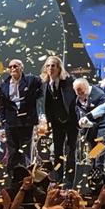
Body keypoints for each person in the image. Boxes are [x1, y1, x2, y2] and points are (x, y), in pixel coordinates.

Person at [37, 56, 78, 188]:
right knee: (58, 151)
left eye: (53, 66)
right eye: (48, 66)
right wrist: (47, 121)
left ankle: (70, 182)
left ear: (59, 68)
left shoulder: (69, 81)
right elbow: (46, 104)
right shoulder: (44, 84)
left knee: (71, 151)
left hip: (71, 121)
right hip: (56, 122)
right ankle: (59, 179)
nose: (50, 68)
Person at [0, 59, 43, 172]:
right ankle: (12, 178)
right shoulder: (4, 86)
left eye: (16, 66)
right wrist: (2, 124)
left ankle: (26, 177)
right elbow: (2, 106)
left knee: (25, 151)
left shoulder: (31, 80)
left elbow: (41, 88)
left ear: (21, 68)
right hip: (10, 122)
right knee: (12, 152)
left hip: (26, 121)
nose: (13, 69)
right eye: (10, 67)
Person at [72, 78, 105, 171]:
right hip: (90, 130)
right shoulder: (79, 97)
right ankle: (92, 172)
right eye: (77, 93)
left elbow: (101, 112)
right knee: (92, 153)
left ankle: (99, 171)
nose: (80, 95)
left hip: (102, 126)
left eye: (81, 92)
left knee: (99, 149)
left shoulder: (99, 95)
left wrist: (89, 121)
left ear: (86, 88)